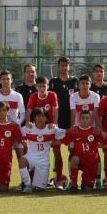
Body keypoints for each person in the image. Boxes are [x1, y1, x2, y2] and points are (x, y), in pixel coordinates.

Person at [19, 108, 66, 193]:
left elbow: (67, 134)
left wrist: (58, 142)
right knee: (22, 160)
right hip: (30, 157)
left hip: (43, 161)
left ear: (46, 119)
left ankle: (60, 179)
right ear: (34, 118)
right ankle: (27, 185)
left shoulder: (52, 129)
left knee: (40, 190)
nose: (40, 118)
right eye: (38, 116)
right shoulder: (28, 128)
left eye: (43, 116)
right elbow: (16, 133)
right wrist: (23, 142)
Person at [49, 56, 78, 185]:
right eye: (61, 65)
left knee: (72, 150)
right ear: (58, 67)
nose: (64, 68)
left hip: (71, 120)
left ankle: (72, 179)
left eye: (66, 65)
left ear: (69, 67)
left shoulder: (75, 81)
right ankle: (57, 178)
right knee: (56, 150)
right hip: (57, 120)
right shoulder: (53, 82)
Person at [64, 110, 106, 192]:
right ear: (79, 119)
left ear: (90, 120)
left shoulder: (95, 131)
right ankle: (74, 185)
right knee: (74, 159)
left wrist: (102, 137)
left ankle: (86, 182)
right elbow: (65, 142)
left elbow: (104, 143)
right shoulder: (74, 131)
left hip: (91, 161)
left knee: (87, 188)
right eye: (83, 118)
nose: (85, 120)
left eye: (87, 118)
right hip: (79, 159)